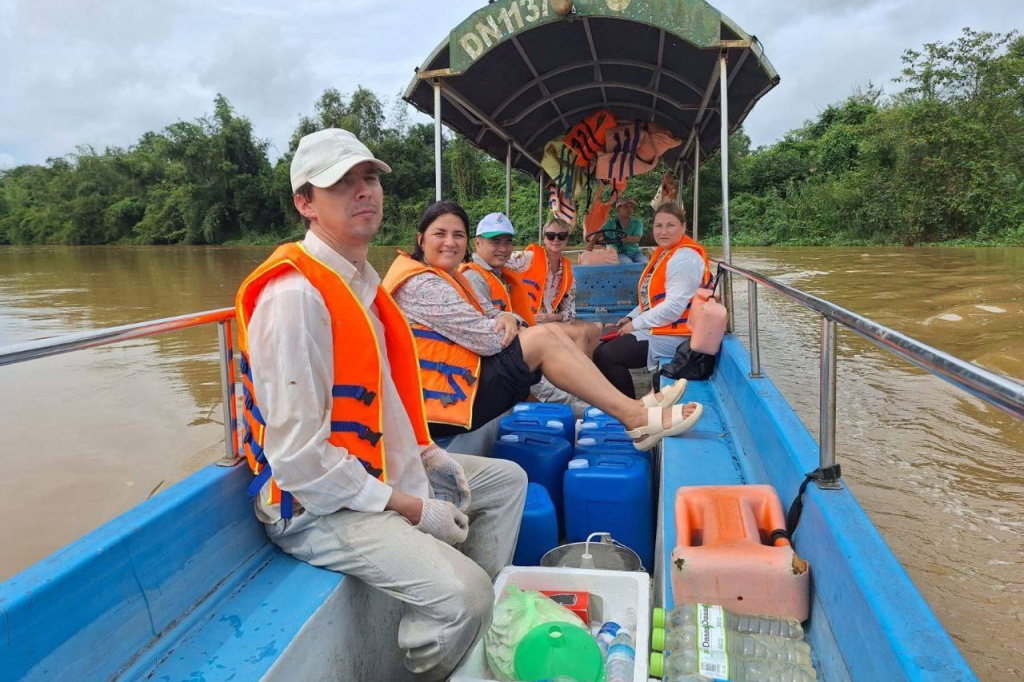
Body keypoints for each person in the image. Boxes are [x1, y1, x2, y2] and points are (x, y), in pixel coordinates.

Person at [234, 128, 527, 681]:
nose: (363, 190)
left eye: (368, 176)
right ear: (305, 203)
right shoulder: (297, 298)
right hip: (314, 505)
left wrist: (428, 456)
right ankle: (433, 657)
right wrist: (415, 508)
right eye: (341, 183)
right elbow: (300, 464)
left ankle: (472, 631)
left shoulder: (362, 284)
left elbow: (381, 405)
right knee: (464, 597)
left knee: (507, 480)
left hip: (376, 469)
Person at [382, 200, 702, 446]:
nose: (450, 242)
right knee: (544, 338)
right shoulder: (424, 284)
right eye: (440, 234)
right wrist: (514, 324)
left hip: (461, 384)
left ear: (467, 242)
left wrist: (509, 318)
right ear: (421, 238)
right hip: (441, 404)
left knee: (559, 333)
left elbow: (493, 317)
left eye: (457, 235)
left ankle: (633, 408)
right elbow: (489, 339)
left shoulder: (449, 277)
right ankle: (634, 415)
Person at [593, 202, 712, 398]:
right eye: (658, 226)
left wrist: (636, 325)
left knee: (607, 355)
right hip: (666, 327)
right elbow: (653, 299)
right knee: (602, 349)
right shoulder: (666, 254)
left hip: (681, 336)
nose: (663, 231)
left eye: (670, 225)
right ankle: (628, 404)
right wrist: (631, 318)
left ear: (683, 227)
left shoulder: (684, 258)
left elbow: (673, 307)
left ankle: (631, 409)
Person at [507, 218, 601, 355]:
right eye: (550, 236)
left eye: (561, 236)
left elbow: (570, 313)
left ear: (566, 239)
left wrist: (553, 317)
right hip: (527, 320)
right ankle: (576, 372)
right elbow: (501, 260)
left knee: (596, 328)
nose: (556, 240)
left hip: (550, 320)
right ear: (544, 238)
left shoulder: (567, 273)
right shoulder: (528, 258)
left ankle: (580, 369)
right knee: (579, 334)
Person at [459, 212, 536, 327]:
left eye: (508, 242)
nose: (503, 249)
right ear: (477, 244)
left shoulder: (500, 271)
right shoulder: (473, 278)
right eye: (495, 242)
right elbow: (482, 327)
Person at [599, 197, 649, 264]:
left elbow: (637, 239)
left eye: (631, 207)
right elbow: (598, 234)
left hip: (635, 253)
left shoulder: (637, 222)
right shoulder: (610, 224)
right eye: (625, 207)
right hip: (620, 254)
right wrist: (591, 244)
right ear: (618, 208)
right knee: (628, 265)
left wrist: (627, 238)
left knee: (646, 263)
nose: (629, 209)